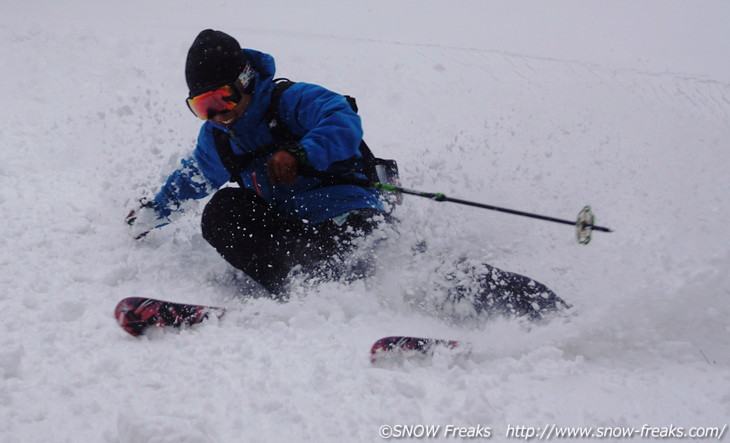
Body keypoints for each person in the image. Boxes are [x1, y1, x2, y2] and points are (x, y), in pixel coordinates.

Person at [126, 29, 390, 296]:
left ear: (245, 81)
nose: (217, 115)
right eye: (203, 106)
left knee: (371, 254)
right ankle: (300, 291)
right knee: (222, 211)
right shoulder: (219, 138)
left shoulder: (291, 99)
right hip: (294, 228)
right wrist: (151, 214)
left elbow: (341, 122)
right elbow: (194, 178)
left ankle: (380, 286)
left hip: (345, 214)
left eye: (222, 98)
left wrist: (302, 153)